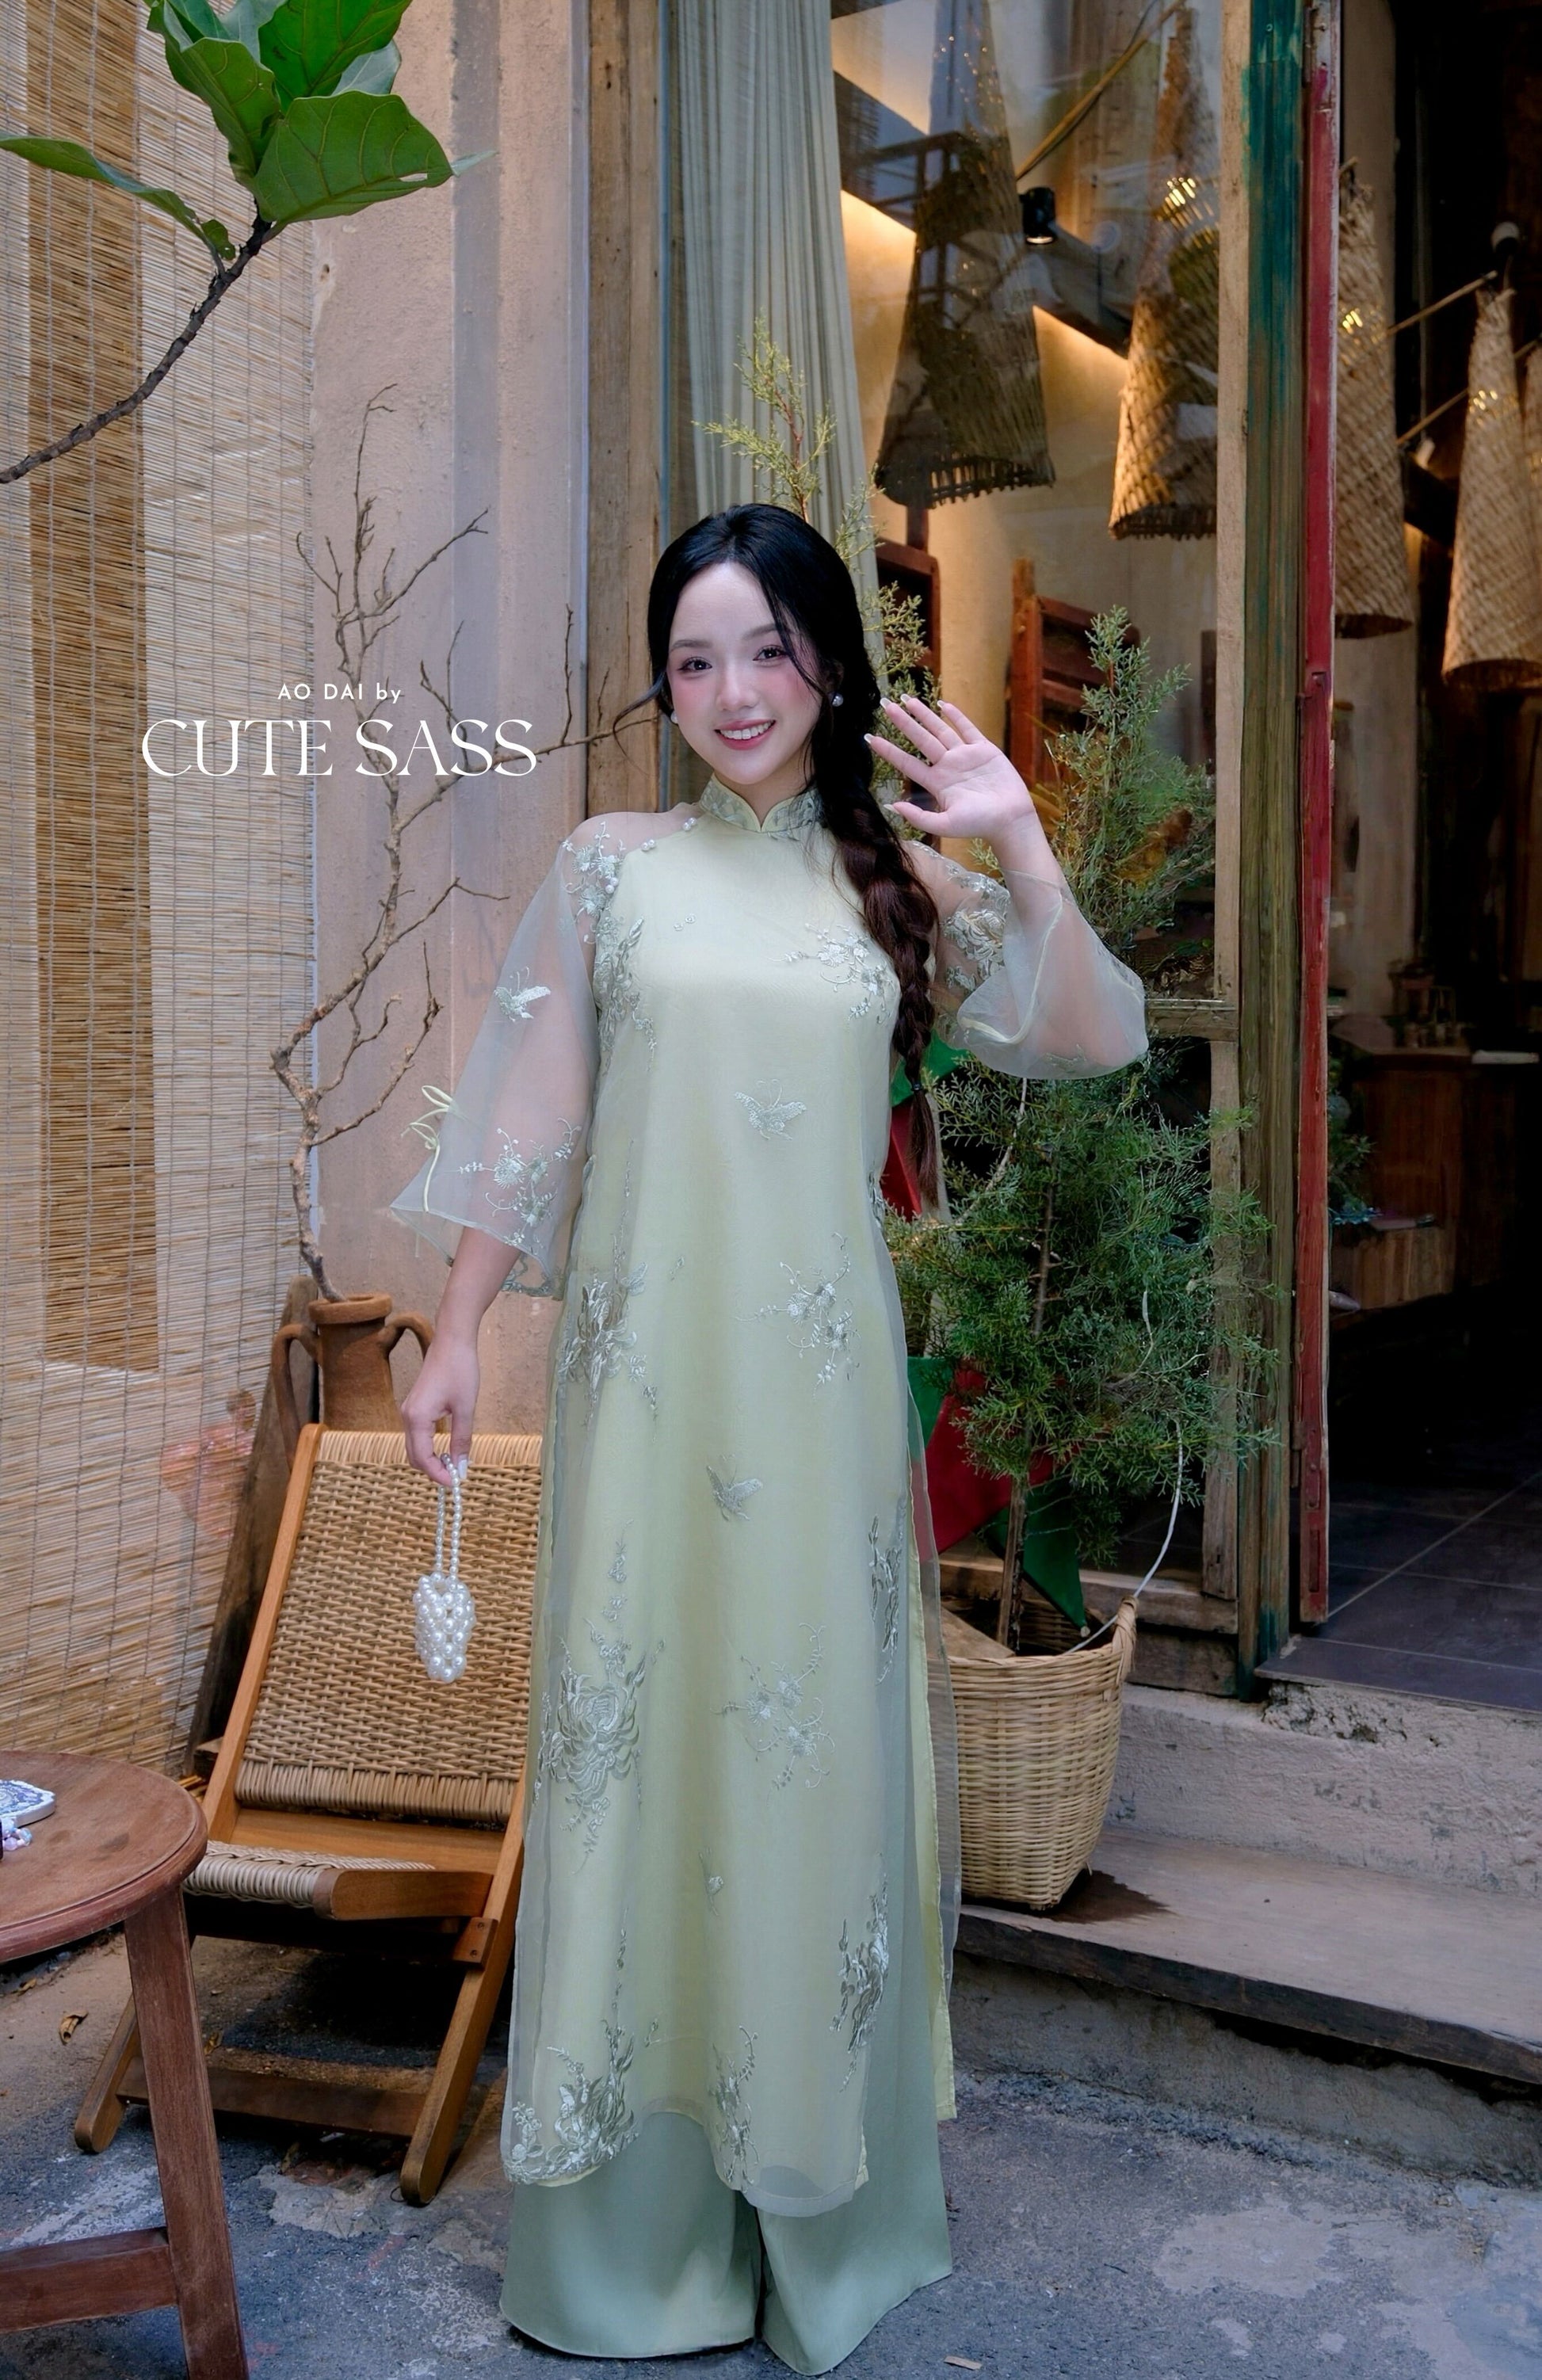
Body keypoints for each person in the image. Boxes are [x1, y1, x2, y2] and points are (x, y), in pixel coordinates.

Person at [394, 504, 1147, 2371]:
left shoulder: (896, 880)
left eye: (766, 649)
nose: (731, 691)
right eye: (694, 658)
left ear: (828, 661)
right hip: (643, 1388)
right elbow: (534, 1109)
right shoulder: (610, 866)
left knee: (803, 1751)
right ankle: (631, 2242)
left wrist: (1020, 842)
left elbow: (1086, 1034)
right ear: (663, 682)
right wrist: (458, 1325)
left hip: (814, 1406)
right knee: (637, 1747)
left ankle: (814, 2203)